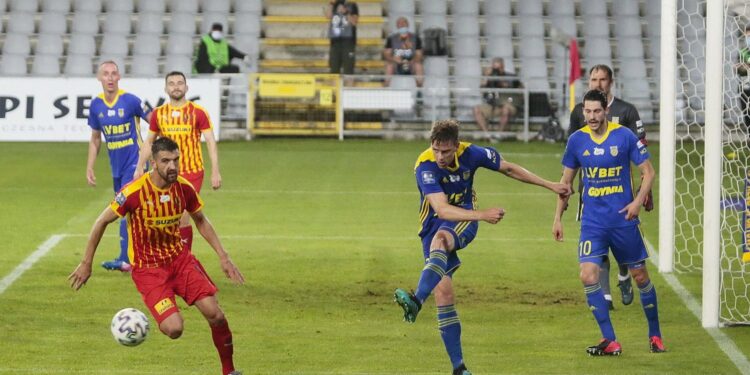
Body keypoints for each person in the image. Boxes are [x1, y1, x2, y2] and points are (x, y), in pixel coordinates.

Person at [394, 119, 571, 375]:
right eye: (436, 149)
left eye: (445, 151)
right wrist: (485, 214)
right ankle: (459, 368)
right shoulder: (425, 165)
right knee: (444, 293)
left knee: (441, 241)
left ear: (457, 145)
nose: (440, 156)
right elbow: (441, 209)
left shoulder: (472, 153)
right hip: (435, 224)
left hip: (465, 219)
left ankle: (416, 301)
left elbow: (508, 169)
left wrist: (550, 185)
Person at [69, 137, 245, 375]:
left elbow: (201, 220)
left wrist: (223, 256)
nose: (172, 166)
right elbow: (101, 222)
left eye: (176, 160)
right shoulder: (134, 192)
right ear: (153, 162)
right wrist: (86, 263)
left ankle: (230, 371)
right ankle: (162, 311)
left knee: (216, 314)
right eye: (165, 161)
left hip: (180, 261)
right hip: (149, 270)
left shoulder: (183, 188)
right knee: (174, 329)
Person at [553, 89, 664, 356]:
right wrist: (557, 217)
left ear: (606, 112)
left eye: (596, 111)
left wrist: (637, 202)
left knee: (640, 276)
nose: (591, 116)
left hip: (623, 220)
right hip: (593, 223)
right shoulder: (576, 141)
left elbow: (648, 172)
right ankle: (610, 339)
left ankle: (655, 334)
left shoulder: (623, 136)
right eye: (587, 111)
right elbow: (565, 184)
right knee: (587, 275)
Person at [568, 64, 652, 310]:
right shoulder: (579, 112)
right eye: (594, 79)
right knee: (597, 243)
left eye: (602, 79)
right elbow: (573, 149)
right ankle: (605, 294)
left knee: (622, 247)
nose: (598, 84)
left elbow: (642, 156)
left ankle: (624, 274)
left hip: (621, 192)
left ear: (611, 82)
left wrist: (644, 194)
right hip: (591, 190)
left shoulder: (627, 111)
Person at [134, 71, 222, 256]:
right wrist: (140, 166)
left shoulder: (198, 113)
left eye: (180, 83)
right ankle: (167, 256)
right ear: (166, 88)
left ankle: (183, 260)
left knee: (183, 218)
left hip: (191, 172)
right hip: (165, 174)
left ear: (186, 87)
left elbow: (211, 142)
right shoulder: (158, 113)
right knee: (166, 217)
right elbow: (150, 142)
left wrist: (216, 171)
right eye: (172, 83)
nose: (176, 86)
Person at [86, 60, 150, 272]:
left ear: (119, 76)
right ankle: (142, 255)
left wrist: (148, 154)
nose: (110, 78)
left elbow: (155, 120)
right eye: (106, 74)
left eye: (114, 73)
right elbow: (96, 138)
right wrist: (90, 166)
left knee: (124, 206)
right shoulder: (96, 106)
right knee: (131, 212)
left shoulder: (130, 101)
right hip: (117, 167)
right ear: (99, 78)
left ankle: (126, 259)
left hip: (135, 164)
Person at [473, 58, 522, 139]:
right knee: (476, 109)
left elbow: (518, 87)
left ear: (503, 67)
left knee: (505, 109)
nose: (495, 70)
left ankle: (499, 135)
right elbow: (482, 90)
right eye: (494, 68)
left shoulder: (510, 76)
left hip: (508, 105)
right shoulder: (490, 78)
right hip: (493, 105)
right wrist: (486, 77)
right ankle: (487, 135)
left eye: (498, 68)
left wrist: (501, 80)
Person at [384, 17, 424, 86]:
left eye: (404, 22)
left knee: (418, 66)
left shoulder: (416, 38)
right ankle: (387, 87)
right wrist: (394, 59)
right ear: (397, 26)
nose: (402, 25)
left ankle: (419, 90)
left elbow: (419, 55)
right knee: (389, 66)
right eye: (399, 23)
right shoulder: (391, 38)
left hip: (411, 63)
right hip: (397, 63)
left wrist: (412, 60)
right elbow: (387, 54)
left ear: (408, 24)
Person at [325, 0, 359, 74]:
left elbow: (354, 22)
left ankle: (349, 85)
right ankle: (334, 85)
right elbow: (328, 16)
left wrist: (346, 12)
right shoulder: (333, 5)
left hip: (348, 42)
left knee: (349, 69)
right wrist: (331, 4)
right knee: (334, 69)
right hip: (335, 41)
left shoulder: (352, 5)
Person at [736, 25, 750, 130]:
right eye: (747, 36)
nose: (748, 38)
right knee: (747, 114)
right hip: (745, 87)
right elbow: (737, 68)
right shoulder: (743, 52)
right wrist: (741, 67)